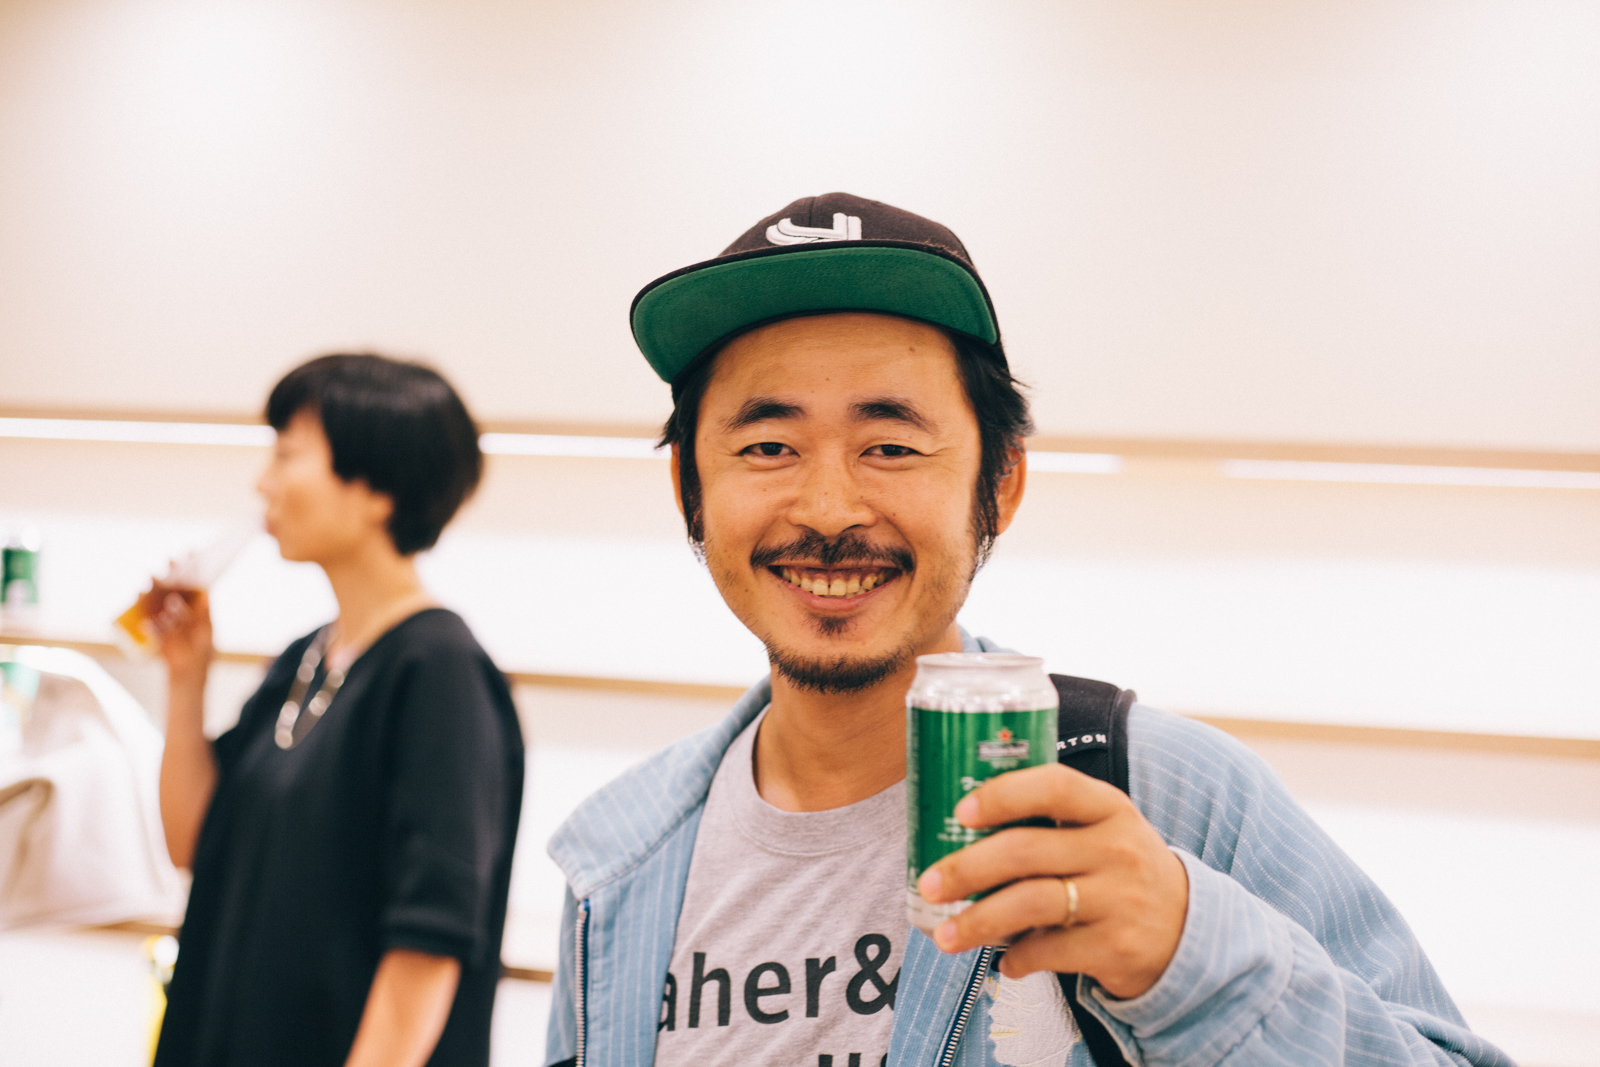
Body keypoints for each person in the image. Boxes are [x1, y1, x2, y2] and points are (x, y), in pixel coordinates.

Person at [542, 194, 1513, 1067]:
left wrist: (1192, 952)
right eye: (767, 445)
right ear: (689, 485)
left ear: (999, 481)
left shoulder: (1165, 792)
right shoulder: (622, 862)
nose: (828, 508)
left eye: (891, 445)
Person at [153, 353, 525, 1067]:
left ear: (376, 489)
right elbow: (191, 841)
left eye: (287, 454)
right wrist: (185, 679)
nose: (264, 482)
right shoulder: (306, 657)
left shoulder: (437, 671)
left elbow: (430, 940)